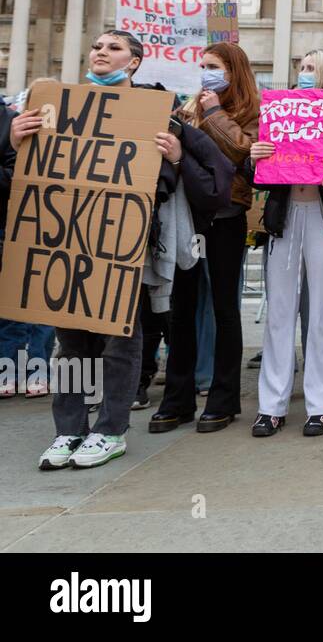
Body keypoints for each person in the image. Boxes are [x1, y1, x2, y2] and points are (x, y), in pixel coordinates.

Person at [36, 30, 230, 470]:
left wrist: (178, 156)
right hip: (69, 239)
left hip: (124, 244)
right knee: (70, 344)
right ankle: (68, 429)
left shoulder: (158, 113)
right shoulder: (62, 109)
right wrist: (15, 136)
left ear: (135, 62)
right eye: (97, 47)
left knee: (118, 340)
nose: (101, 53)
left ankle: (109, 430)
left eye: (114, 48)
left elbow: (217, 170)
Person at [248, 49, 323, 437]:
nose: (304, 73)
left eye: (312, 68)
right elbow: (261, 178)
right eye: (302, 68)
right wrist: (254, 157)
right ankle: (270, 405)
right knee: (279, 310)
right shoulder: (282, 111)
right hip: (286, 216)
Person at [151, 42, 258, 434]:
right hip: (186, 218)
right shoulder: (188, 108)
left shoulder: (251, 112)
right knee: (181, 308)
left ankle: (223, 398)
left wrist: (213, 112)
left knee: (224, 308)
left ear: (234, 72)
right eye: (201, 65)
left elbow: (239, 153)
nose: (204, 73)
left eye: (212, 66)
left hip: (226, 217)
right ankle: (177, 399)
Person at [0, 88, 50, 399]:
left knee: (38, 309)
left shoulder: (11, 121)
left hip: (30, 223)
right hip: (13, 226)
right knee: (9, 309)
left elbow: (15, 171)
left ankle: (37, 369)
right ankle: (9, 370)